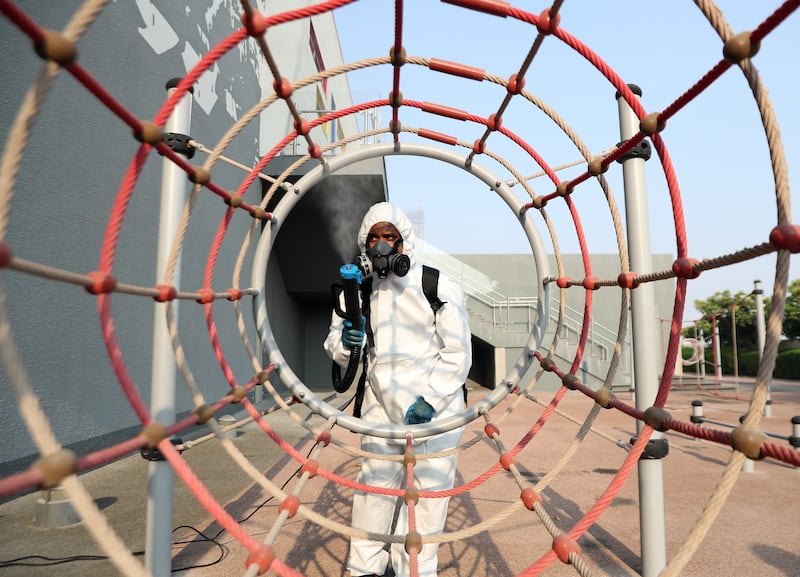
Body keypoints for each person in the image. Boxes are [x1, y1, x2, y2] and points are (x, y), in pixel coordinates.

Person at [324, 202, 472, 577]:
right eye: (373, 238)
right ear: (363, 245)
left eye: (390, 237)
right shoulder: (354, 291)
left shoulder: (435, 283)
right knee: (373, 493)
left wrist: (431, 399)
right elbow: (335, 348)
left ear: (405, 243)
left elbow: (458, 353)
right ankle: (364, 571)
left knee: (428, 503)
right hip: (379, 408)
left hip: (435, 411)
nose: (381, 246)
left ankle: (416, 572)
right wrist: (347, 343)